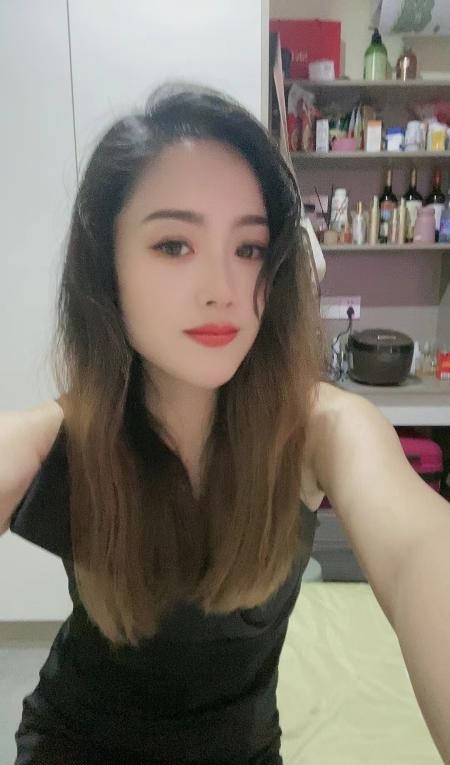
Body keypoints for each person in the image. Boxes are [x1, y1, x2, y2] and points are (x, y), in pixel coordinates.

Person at [1, 82, 450, 765]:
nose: (223, 289)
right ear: (107, 266)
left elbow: (422, 549)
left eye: (249, 249)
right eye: (173, 244)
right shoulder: (58, 438)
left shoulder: (322, 427)